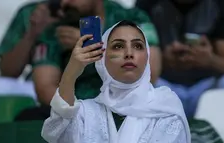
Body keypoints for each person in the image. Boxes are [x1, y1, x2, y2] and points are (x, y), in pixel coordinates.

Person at [41, 20, 191, 143]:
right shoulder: (86, 112)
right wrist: (71, 72)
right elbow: (57, 133)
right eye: (118, 46)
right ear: (102, 59)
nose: (129, 54)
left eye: (138, 46)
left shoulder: (166, 108)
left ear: (147, 56)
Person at [32, 0, 161, 106]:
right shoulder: (56, 31)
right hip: (75, 108)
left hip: (128, 103)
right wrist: (79, 112)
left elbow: (151, 72)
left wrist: (94, 46)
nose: (65, 3)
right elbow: (44, 88)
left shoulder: (133, 18)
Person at [136, 0, 224, 118]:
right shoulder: (147, 3)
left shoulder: (223, 3)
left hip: (206, 86)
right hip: (164, 84)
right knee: (136, 85)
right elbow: (136, 60)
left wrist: (209, 59)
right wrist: (163, 59)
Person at [0, 1, 57, 99]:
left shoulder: (86, 15)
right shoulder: (34, 12)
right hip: (39, 95)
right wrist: (32, 33)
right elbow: (7, 72)